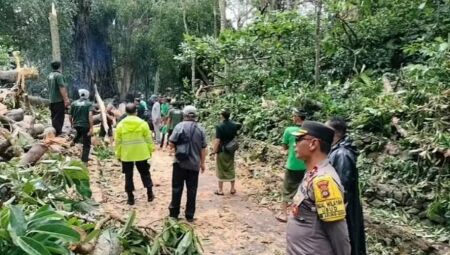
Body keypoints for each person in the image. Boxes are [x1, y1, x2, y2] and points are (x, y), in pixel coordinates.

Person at [287, 121, 350, 255]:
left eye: (298, 139)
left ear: (313, 144)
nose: (294, 144)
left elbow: (339, 234)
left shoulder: (324, 181)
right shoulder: (312, 172)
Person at [327, 117, 366, 255]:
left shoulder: (342, 154)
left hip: (343, 210)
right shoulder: (336, 150)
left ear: (333, 132)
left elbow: (343, 187)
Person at [168, 105, 207, 222]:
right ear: (196, 115)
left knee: (176, 188)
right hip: (194, 165)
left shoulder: (179, 127)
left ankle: (174, 214)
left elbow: (171, 142)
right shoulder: (200, 129)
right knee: (192, 190)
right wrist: (202, 163)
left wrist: (177, 150)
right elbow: (203, 148)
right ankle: (189, 215)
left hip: (179, 163)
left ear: (184, 115)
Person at [115, 103, 155, 205]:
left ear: (126, 112)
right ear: (136, 112)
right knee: (145, 173)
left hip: (127, 154)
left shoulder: (120, 125)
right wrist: (150, 150)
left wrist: (118, 154)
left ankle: (130, 198)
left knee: (128, 176)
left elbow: (118, 142)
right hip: (141, 153)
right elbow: (148, 139)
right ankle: (150, 194)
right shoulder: (143, 123)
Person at [276, 108, 307, 222]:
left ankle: (283, 213)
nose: (293, 118)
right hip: (305, 166)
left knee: (286, 190)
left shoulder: (289, 130)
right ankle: (297, 214)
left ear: (298, 117)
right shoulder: (309, 131)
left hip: (292, 165)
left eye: (294, 116)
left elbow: (284, 147)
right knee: (301, 190)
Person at [212, 109, 241, 195]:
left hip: (222, 149)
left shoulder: (219, 126)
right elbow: (236, 133)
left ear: (222, 116)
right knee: (231, 167)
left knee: (221, 168)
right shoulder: (234, 125)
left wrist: (214, 151)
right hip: (231, 149)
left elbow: (217, 140)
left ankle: (220, 190)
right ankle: (232, 188)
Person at [69, 89, 94, 164]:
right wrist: (91, 127)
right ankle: (84, 161)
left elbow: (70, 116)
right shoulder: (89, 104)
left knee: (79, 133)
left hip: (76, 124)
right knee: (87, 144)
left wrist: (72, 124)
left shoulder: (73, 103)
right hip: (85, 125)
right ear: (87, 95)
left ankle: (73, 141)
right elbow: (90, 115)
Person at [47, 61, 70, 136]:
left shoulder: (49, 75)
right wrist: (66, 99)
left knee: (54, 115)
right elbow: (62, 87)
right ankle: (58, 131)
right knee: (59, 116)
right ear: (59, 66)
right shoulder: (59, 76)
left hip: (51, 99)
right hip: (58, 99)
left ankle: (55, 130)